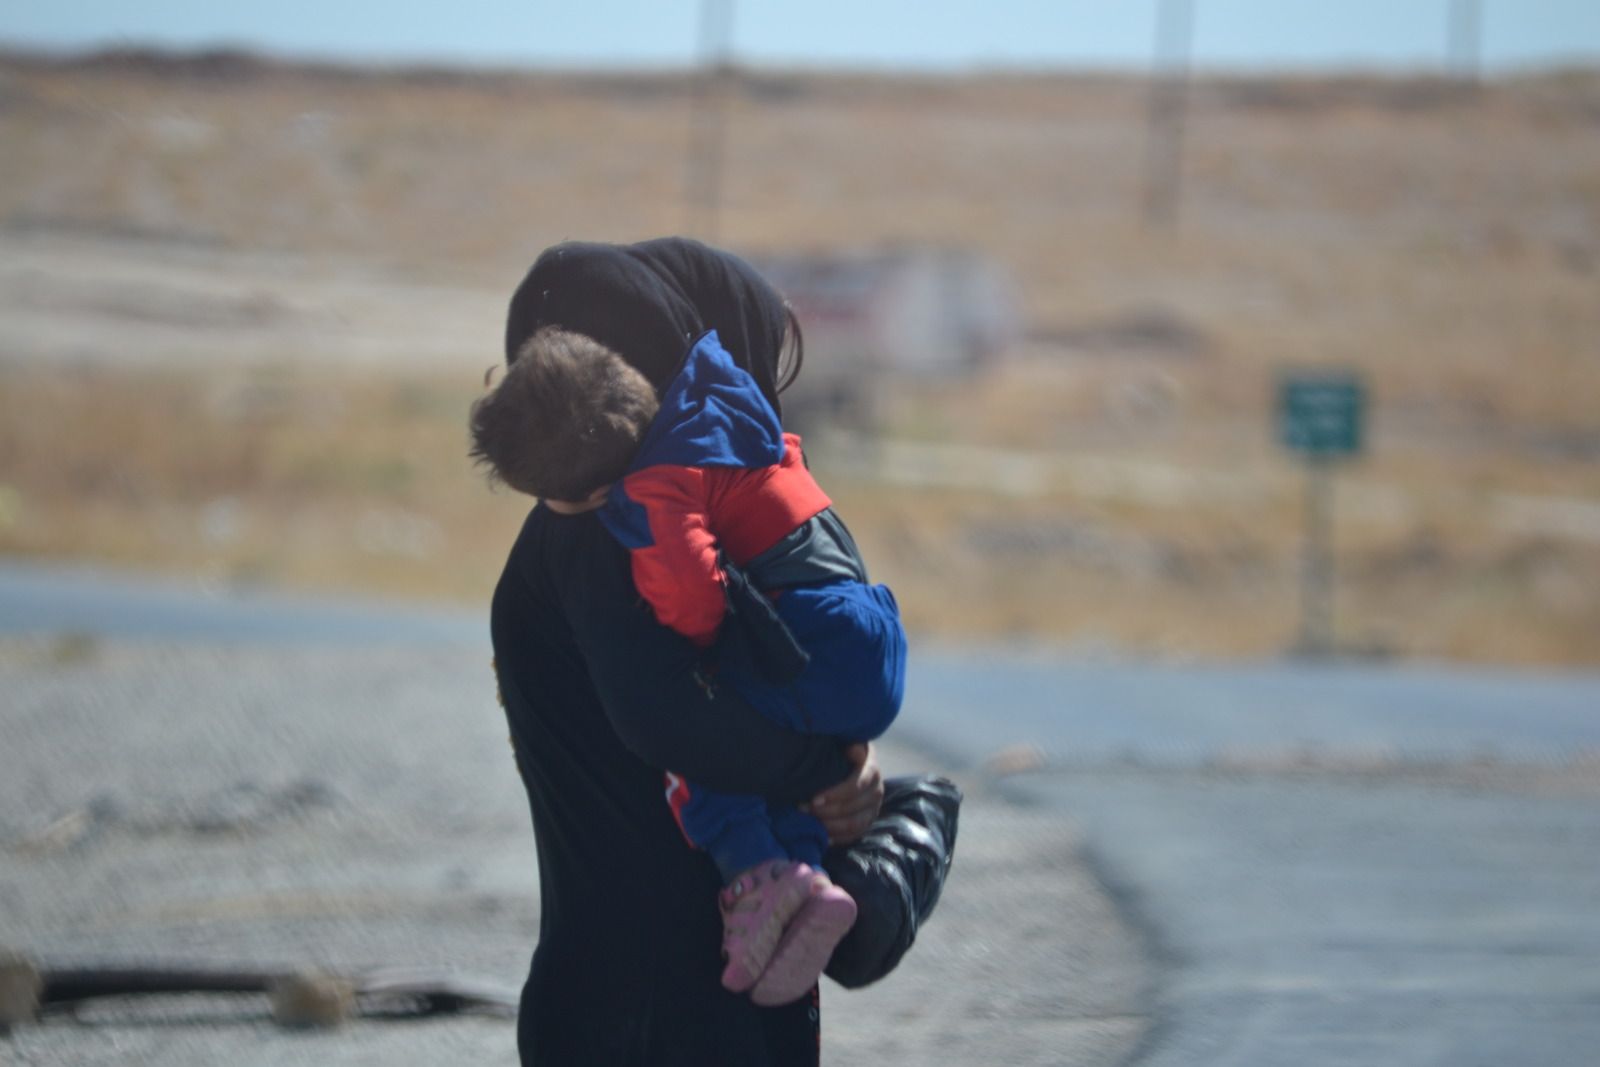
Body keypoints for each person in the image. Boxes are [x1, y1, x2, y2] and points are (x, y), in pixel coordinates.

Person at [485, 236, 945, 1066]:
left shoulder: (603, 519)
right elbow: (673, 716)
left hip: (633, 997)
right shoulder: (612, 532)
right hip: (667, 1013)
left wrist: (828, 769)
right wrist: (825, 773)